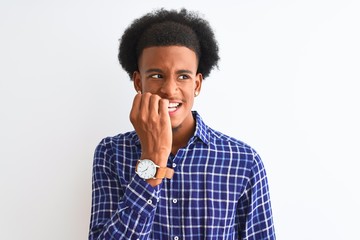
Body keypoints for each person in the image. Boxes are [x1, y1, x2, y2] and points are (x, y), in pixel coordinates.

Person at [89, 8, 276, 240]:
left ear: (197, 84)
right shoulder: (111, 154)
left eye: (183, 76)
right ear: (139, 82)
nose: (169, 89)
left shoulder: (244, 161)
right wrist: (152, 160)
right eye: (157, 75)